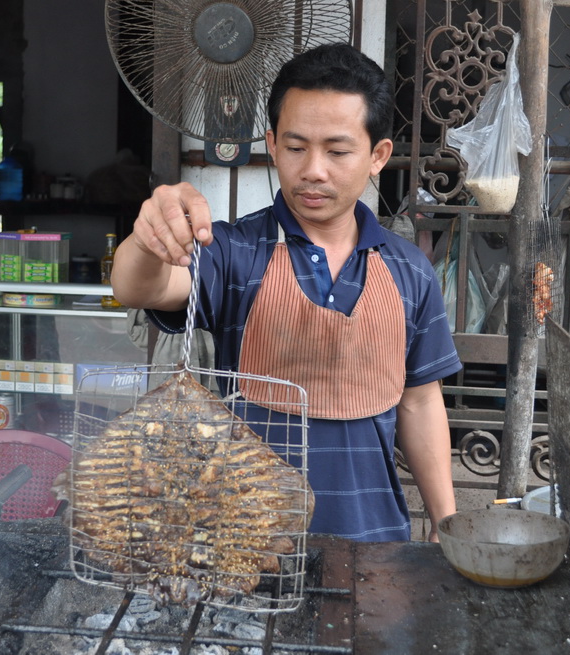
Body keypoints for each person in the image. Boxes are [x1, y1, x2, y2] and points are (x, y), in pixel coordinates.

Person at [112, 43, 462, 542]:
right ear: (272, 145)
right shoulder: (234, 252)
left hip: (375, 540)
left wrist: (446, 522)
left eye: (337, 151)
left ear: (377, 156)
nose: (313, 169)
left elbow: (421, 403)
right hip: (247, 547)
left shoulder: (410, 271)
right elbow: (137, 285)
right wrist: (151, 234)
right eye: (296, 148)